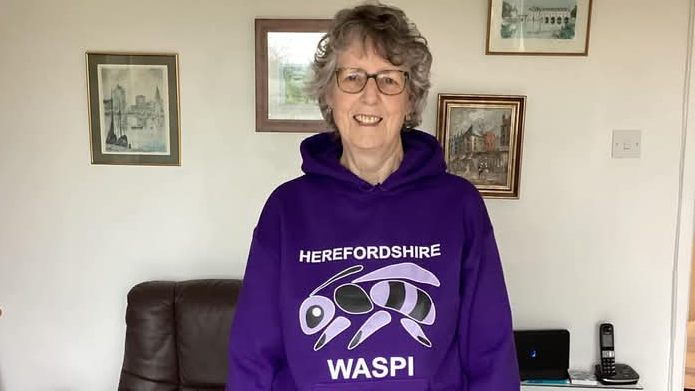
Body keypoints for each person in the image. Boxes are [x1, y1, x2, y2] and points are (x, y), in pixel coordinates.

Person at [226, 3, 519, 391]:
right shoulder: (287, 209)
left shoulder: (458, 205)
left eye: (388, 80)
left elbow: (491, 351)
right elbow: (253, 355)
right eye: (352, 77)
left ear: (410, 98)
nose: (369, 96)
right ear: (329, 94)